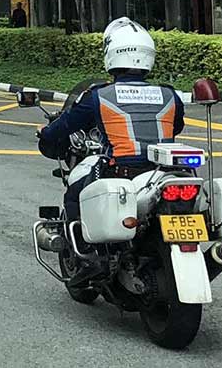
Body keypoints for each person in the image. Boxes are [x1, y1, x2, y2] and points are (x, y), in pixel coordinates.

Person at [36, 18, 184, 258]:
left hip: (122, 170)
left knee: (75, 190)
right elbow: (177, 126)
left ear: (111, 54)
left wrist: (46, 133)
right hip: (164, 171)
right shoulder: (169, 94)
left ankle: (82, 251)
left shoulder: (99, 96)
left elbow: (65, 125)